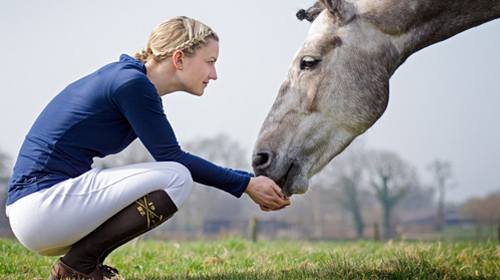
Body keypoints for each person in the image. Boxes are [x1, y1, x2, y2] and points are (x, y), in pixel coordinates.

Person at [5, 16, 290, 280]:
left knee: (172, 174)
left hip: (43, 212)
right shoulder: (131, 83)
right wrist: (246, 184)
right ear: (179, 58)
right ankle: (76, 267)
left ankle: (85, 266)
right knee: (176, 176)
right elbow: (172, 157)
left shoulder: (129, 78)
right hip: (42, 207)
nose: (214, 74)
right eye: (210, 62)